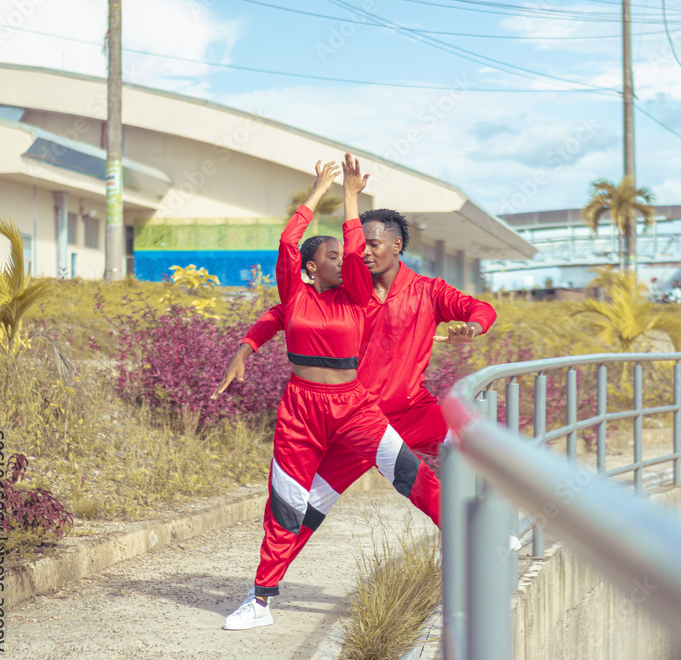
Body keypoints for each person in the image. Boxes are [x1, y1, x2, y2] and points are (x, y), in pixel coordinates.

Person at [221, 154, 441, 631]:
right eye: (334, 256)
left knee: (410, 475)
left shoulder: (358, 297)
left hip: (353, 407)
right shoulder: (294, 297)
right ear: (311, 267)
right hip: (299, 410)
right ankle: (259, 602)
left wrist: (351, 197)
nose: (348, 260)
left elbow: (356, 244)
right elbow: (286, 240)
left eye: (348, 254)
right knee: (284, 504)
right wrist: (317, 189)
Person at [213, 196, 497, 563]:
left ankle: (489, 533)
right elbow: (280, 314)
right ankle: (262, 591)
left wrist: (471, 328)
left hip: (412, 410)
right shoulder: (343, 294)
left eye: (372, 245)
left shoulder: (428, 291)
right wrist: (246, 347)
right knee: (308, 507)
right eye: (357, 246)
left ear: (396, 246)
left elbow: (481, 308)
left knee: (485, 447)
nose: (362, 253)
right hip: (357, 422)